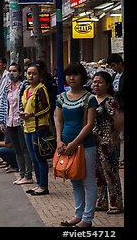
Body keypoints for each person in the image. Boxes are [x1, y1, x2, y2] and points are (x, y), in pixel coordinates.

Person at [56, 62, 98, 228]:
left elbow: (89, 124)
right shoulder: (61, 97)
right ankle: (78, 214)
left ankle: (87, 219)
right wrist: (59, 140)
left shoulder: (90, 98)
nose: (71, 78)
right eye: (69, 74)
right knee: (75, 181)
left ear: (82, 77)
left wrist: (74, 143)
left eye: (75, 74)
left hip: (85, 145)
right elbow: (58, 120)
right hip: (66, 145)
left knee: (88, 182)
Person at [91, 71, 124, 215]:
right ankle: (102, 201)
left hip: (107, 143)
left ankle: (116, 203)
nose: (96, 85)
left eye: (100, 82)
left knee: (111, 173)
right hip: (93, 142)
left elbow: (119, 121)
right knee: (97, 173)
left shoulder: (110, 101)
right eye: (94, 82)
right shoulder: (91, 100)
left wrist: (114, 136)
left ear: (108, 84)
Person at [0, 62, 34, 185]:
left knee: (25, 149)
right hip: (10, 122)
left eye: (14, 71)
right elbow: (4, 105)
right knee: (17, 149)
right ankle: (21, 173)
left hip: (21, 122)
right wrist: (2, 122)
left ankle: (28, 175)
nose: (12, 73)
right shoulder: (7, 87)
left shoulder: (24, 86)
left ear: (19, 73)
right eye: (10, 71)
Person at [21, 63, 52, 196]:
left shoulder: (41, 89)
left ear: (39, 75)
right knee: (33, 158)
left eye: (34, 73)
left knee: (40, 157)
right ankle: (38, 184)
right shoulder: (26, 89)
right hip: (27, 127)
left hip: (38, 127)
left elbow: (47, 107)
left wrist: (32, 114)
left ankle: (43, 186)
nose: (31, 76)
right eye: (29, 73)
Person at [106, 53, 124, 169]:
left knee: (122, 134)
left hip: (122, 106)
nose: (113, 68)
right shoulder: (114, 75)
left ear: (120, 63)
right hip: (115, 106)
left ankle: (121, 159)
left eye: (114, 65)